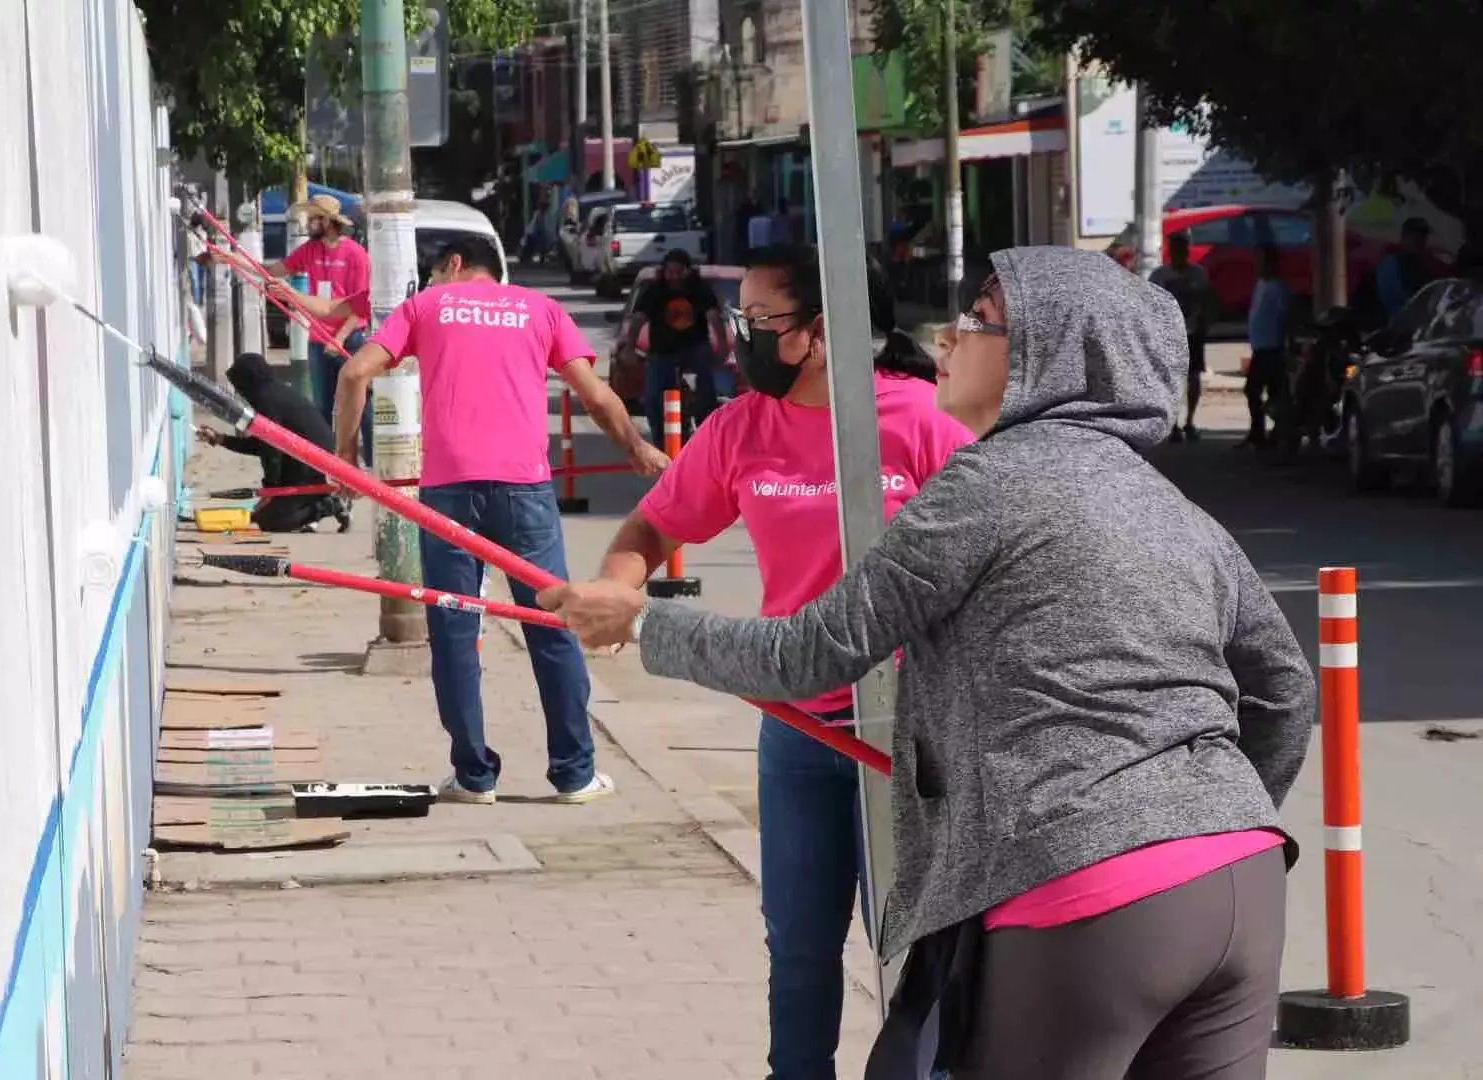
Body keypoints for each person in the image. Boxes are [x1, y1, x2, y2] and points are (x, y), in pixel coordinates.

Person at [544, 246, 1314, 1080]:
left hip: (1091, 885)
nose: (944, 339)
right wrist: (1188, 814)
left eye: (977, 322)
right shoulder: (1169, 504)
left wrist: (650, 627)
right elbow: (1283, 689)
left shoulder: (987, 481)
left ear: (1045, 352)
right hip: (1239, 868)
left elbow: (814, 650)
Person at [595, 243, 972, 1080]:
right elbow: (655, 526)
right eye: (742, 321)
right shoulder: (744, 427)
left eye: (759, 323)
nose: (741, 341)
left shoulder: (922, 423)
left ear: (824, 332)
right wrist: (617, 590)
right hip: (798, 730)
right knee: (799, 943)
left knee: (917, 951)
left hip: (913, 742)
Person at [333, 235, 671, 804]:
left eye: (437, 271)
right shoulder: (540, 309)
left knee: (455, 632)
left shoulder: (425, 307)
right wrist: (638, 450)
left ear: (456, 265)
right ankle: (575, 774)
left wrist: (344, 458)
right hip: (525, 492)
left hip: (447, 496)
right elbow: (595, 396)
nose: (434, 281)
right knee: (556, 624)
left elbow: (352, 375)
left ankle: (473, 777)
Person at [238, 194, 374, 459]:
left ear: (328, 221)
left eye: (313, 219)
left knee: (361, 405)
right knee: (322, 406)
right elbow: (273, 270)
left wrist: (340, 338)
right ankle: (326, 464)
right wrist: (234, 259)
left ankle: (370, 461)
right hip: (318, 339)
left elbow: (360, 306)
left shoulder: (356, 255)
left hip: (351, 339)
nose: (308, 224)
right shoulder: (309, 250)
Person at [209, 353, 351, 533]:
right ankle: (315, 501)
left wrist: (271, 490)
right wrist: (222, 439)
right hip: (306, 461)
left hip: (312, 466)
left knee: (270, 521)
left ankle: (327, 504)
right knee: (263, 514)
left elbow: (271, 451)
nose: (239, 391)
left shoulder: (266, 401)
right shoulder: (273, 391)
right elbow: (263, 445)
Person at [617, 249, 730, 440]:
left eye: (679, 271)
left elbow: (714, 318)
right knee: (653, 399)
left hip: (695, 348)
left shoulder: (699, 289)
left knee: (706, 394)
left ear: (688, 271)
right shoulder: (655, 290)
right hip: (663, 351)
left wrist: (723, 348)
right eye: (671, 271)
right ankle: (661, 444)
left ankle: (707, 438)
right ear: (664, 271)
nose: (675, 276)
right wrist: (629, 347)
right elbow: (638, 319)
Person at [1150, 232, 1217, 442]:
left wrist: (1206, 325)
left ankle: (1190, 421)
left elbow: (1208, 301)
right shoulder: (1160, 276)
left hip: (1193, 332)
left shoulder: (1198, 274)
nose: (1181, 253)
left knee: (1193, 376)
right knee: (1171, 379)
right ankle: (1173, 425)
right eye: (1177, 249)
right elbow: (1150, 305)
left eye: (1184, 248)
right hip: (1169, 335)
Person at [1243, 244, 1292, 450]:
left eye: (1263, 261)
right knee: (1261, 391)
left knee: (1260, 390)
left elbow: (1287, 314)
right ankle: (1261, 432)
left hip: (1272, 347)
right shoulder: (1261, 284)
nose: (1258, 265)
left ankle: (1270, 432)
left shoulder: (1278, 287)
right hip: (1260, 346)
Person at [1375, 217, 1436, 320]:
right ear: (1403, 237)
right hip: (1399, 324)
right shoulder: (1390, 264)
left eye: (1423, 236)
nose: (1419, 240)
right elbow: (1393, 302)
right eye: (1414, 236)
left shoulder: (1424, 264)